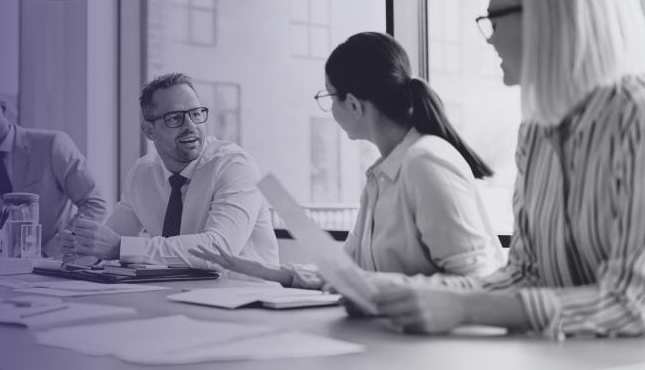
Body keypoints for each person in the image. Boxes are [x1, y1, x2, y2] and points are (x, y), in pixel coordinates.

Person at [366, 0, 645, 339]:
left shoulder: (636, 119)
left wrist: (464, 308)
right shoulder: (535, 133)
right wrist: (402, 294)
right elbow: (523, 277)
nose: (490, 38)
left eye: (493, 20)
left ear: (548, 16)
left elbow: (633, 303)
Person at [191, 32, 505, 287]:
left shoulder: (426, 164)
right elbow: (349, 275)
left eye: (328, 97)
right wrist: (277, 273)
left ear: (353, 104)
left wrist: (382, 290)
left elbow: (478, 281)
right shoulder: (380, 177)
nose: (330, 111)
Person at [60, 73, 279, 268]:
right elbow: (112, 239)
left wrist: (120, 247)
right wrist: (86, 248)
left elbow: (219, 249)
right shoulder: (143, 173)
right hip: (177, 298)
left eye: (196, 113)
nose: (191, 126)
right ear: (149, 130)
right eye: (175, 118)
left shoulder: (234, 166)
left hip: (245, 301)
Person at [0, 81, 109, 258]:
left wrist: (53, 250)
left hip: (57, 267)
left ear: (2, 107)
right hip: (2, 272)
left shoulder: (52, 144)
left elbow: (95, 204)